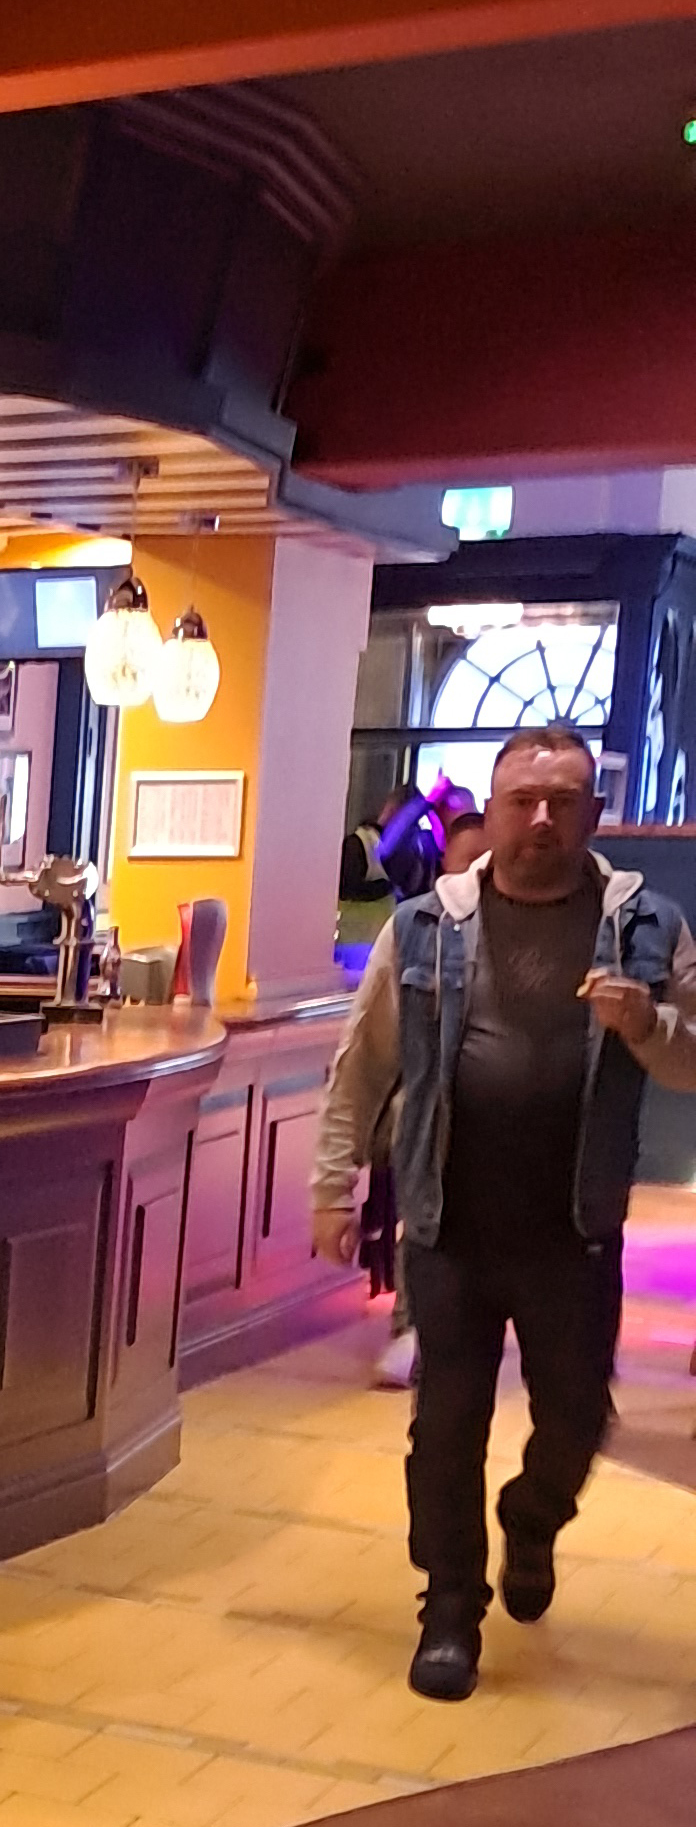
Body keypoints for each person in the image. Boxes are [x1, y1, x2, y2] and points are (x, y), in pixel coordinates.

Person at [313, 726, 696, 1699]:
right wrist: (332, 1184)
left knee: (575, 1418)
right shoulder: (424, 927)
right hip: (452, 1220)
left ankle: (532, 1519)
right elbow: (361, 1063)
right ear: (489, 810)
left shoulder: (650, 927)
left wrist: (647, 1025)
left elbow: (694, 1060)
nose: (539, 819)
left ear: (591, 814)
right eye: (522, 799)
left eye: (562, 801)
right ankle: (449, 1611)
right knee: (446, 1422)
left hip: (575, 1228)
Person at [367, 802, 490, 1390]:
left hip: (484, 1122)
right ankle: (409, 1326)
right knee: (420, 1199)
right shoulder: (415, 924)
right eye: (464, 864)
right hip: (418, 1113)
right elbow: (367, 1054)